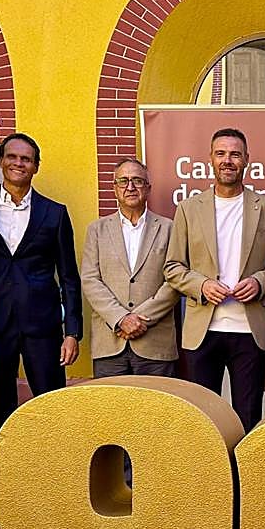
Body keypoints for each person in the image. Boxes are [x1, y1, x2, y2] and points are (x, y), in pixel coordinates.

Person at [164, 128, 265, 432]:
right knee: (202, 419)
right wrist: (201, 285)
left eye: (234, 154)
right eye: (221, 154)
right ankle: (208, 479)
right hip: (202, 330)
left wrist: (259, 282)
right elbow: (173, 266)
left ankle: (243, 478)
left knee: (248, 416)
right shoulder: (189, 209)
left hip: (249, 328)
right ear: (210, 159)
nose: (227, 160)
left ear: (246, 160)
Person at [0, 133, 83, 444]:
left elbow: (69, 276)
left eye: (26, 159)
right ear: (1, 162)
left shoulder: (55, 213)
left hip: (43, 324)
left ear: (35, 167)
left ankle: (57, 468)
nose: (18, 163)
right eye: (12, 157)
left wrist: (72, 332)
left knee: (51, 402)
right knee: (0, 402)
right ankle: (5, 471)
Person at [81, 158, 179, 378]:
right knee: (110, 411)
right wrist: (121, 319)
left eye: (137, 180)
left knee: (156, 411)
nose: (130, 187)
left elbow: (175, 280)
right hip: (110, 343)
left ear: (148, 188)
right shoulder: (97, 230)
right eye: (123, 181)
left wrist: (139, 319)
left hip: (155, 345)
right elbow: (90, 280)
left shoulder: (169, 228)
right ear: (115, 188)